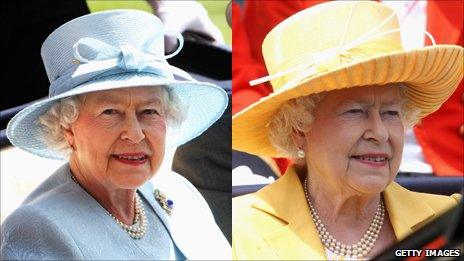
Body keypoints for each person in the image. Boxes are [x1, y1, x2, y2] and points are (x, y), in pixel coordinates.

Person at [231, 1, 463, 260]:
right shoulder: (239, 229)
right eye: (355, 112)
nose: (380, 132)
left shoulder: (448, 224)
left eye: (391, 113)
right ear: (298, 128)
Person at [1, 10, 230, 260]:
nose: (134, 134)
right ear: (67, 129)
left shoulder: (178, 190)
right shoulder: (37, 228)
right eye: (110, 112)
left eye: (149, 111)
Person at [232, 0, 463, 177]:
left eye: (392, 113)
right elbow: (260, 85)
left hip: (451, 168)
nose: (379, 132)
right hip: (326, 172)